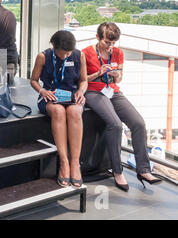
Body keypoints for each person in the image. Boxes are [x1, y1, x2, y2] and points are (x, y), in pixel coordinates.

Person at [83, 22, 161, 191]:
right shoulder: (86, 53)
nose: (111, 46)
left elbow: (120, 78)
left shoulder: (118, 53)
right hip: (93, 91)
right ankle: (117, 171)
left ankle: (144, 170)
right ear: (98, 37)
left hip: (112, 90)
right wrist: (99, 73)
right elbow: (81, 80)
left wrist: (116, 75)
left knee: (138, 123)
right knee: (116, 125)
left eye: (113, 43)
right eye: (107, 42)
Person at [30, 30, 87, 187]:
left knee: (75, 111)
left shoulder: (79, 55)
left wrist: (81, 92)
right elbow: (33, 80)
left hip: (71, 96)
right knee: (58, 111)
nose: (65, 56)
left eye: (68, 53)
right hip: (50, 95)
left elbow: (83, 81)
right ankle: (64, 162)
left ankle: (75, 163)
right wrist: (42, 91)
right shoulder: (43, 56)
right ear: (53, 47)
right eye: (62, 53)